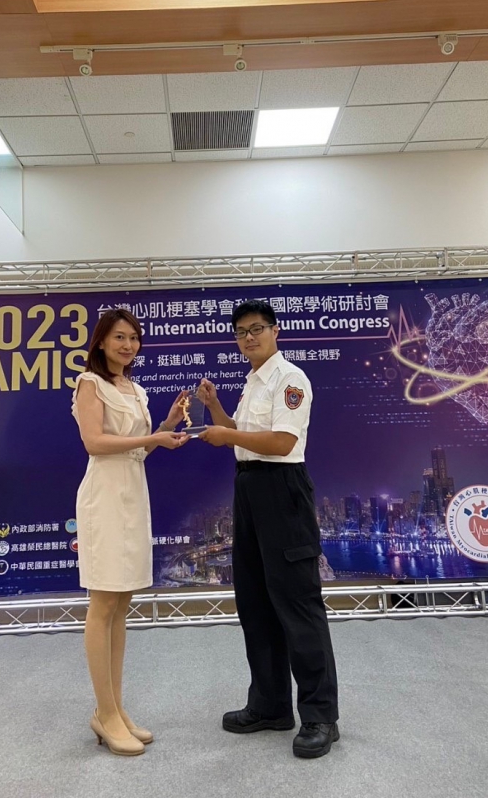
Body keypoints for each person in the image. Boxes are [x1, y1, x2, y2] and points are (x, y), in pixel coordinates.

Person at [198, 299, 339, 759]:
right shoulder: (252, 382)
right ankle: (270, 705)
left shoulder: (289, 378)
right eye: (241, 332)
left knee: (298, 605)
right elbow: (241, 435)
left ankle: (320, 716)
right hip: (249, 490)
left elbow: (281, 442)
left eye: (256, 328)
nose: (248, 337)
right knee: (256, 605)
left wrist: (229, 435)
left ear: (275, 331)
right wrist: (214, 407)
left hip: (282, 490)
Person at [72, 308, 188, 756]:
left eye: (134, 338)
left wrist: (167, 427)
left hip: (133, 494)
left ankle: (116, 710)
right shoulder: (90, 383)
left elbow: (138, 452)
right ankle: (104, 713)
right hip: (104, 496)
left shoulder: (136, 390)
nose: (128, 345)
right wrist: (151, 438)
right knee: (103, 603)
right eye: (119, 337)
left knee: (121, 605)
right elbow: (95, 443)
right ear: (102, 341)